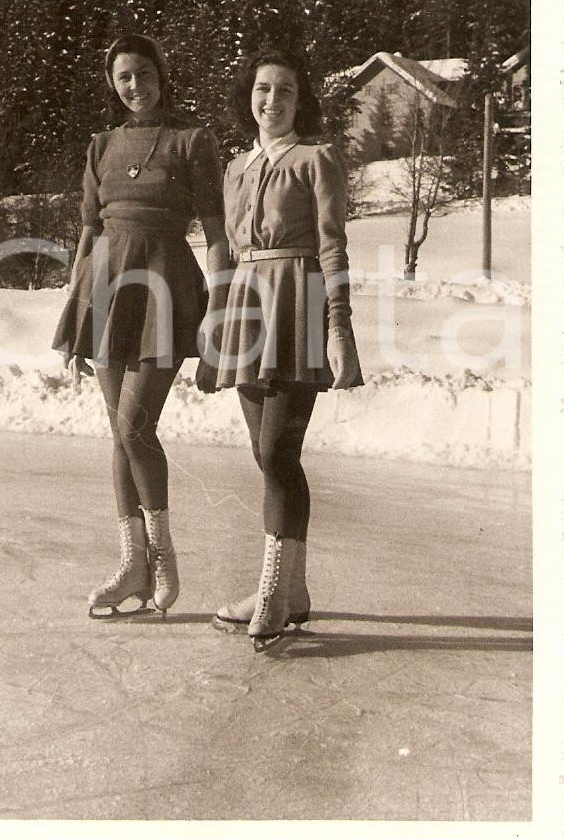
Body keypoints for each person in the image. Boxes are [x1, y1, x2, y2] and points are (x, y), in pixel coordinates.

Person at [52, 33, 228, 618]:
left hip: (164, 286)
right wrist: (74, 311)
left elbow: (217, 230)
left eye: (144, 74)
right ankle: (132, 566)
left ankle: (162, 555)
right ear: (113, 81)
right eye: (124, 76)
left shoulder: (192, 141)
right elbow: (87, 232)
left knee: (134, 427)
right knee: (119, 435)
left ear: (161, 74)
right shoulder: (100, 145)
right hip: (104, 289)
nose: (135, 86)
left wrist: (221, 308)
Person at [210, 48, 363, 651]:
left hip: (298, 305)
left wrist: (339, 326)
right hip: (249, 310)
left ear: (302, 101)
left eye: (286, 92)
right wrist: (215, 327)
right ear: (248, 96)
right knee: (265, 455)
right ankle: (293, 591)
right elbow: (225, 252)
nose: (272, 101)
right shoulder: (235, 168)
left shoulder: (315, 159)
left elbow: (333, 248)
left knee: (278, 452)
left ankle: (274, 587)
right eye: (263, 89)